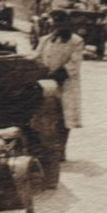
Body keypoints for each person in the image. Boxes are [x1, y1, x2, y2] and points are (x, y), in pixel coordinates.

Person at [31, 11, 84, 159]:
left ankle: (61, 149)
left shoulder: (76, 41)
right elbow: (36, 56)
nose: (56, 27)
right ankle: (47, 148)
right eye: (54, 24)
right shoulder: (46, 39)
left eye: (60, 24)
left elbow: (74, 64)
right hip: (47, 83)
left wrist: (56, 75)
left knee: (63, 117)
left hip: (66, 83)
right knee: (46, 114)